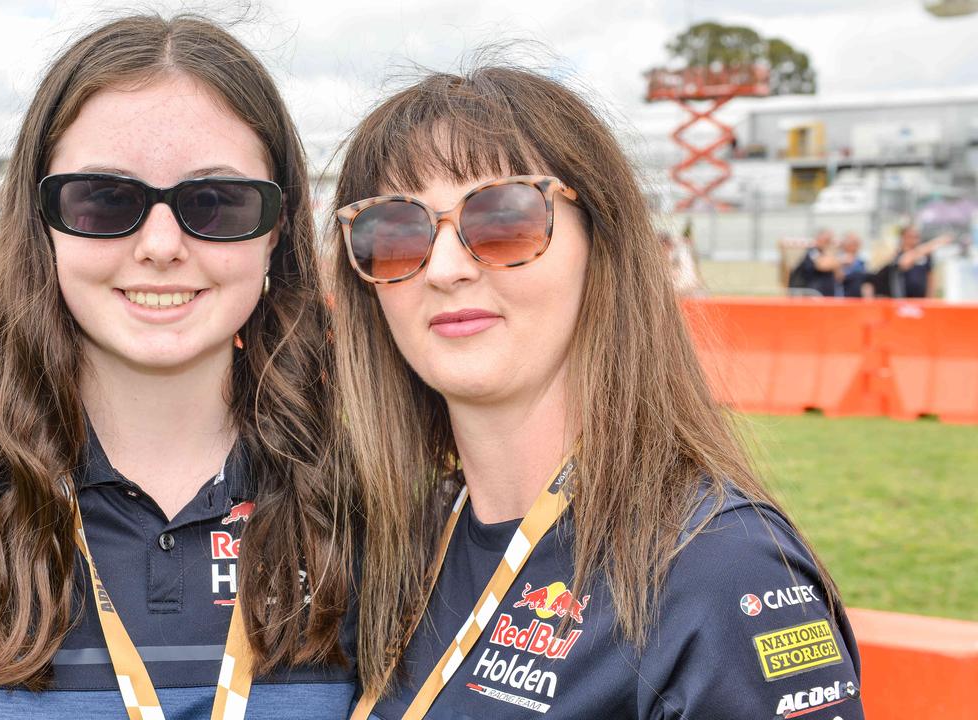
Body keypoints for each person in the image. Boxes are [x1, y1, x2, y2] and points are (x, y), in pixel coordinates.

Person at [0, 15, 390, 720]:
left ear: (276, 229)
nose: (160, 245)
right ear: (44, 223)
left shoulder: (369, 496)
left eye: (214, 204)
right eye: (105, 200)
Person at [329, 65, 864, 719]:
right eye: (397, 232)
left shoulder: (722, 570)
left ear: (601, 243)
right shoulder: (400, 546)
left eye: (504, 218)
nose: (444, 268)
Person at [788, 228, 841, 297]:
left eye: (829, 241)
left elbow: (839, 275)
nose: (828, 243)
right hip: (813, 294)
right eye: (826, 240)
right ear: (818, 239)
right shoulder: (812, 252)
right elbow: (823, 266)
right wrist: (834, 261)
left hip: (828, 296)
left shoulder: (829, 254)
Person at [838, 231, 871, 298]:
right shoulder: (838, 258)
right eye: (851, 242)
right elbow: (839, 278)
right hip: (843, 296)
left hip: (859, 299)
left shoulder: (863, 259)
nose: (854, 246)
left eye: (856, 243)